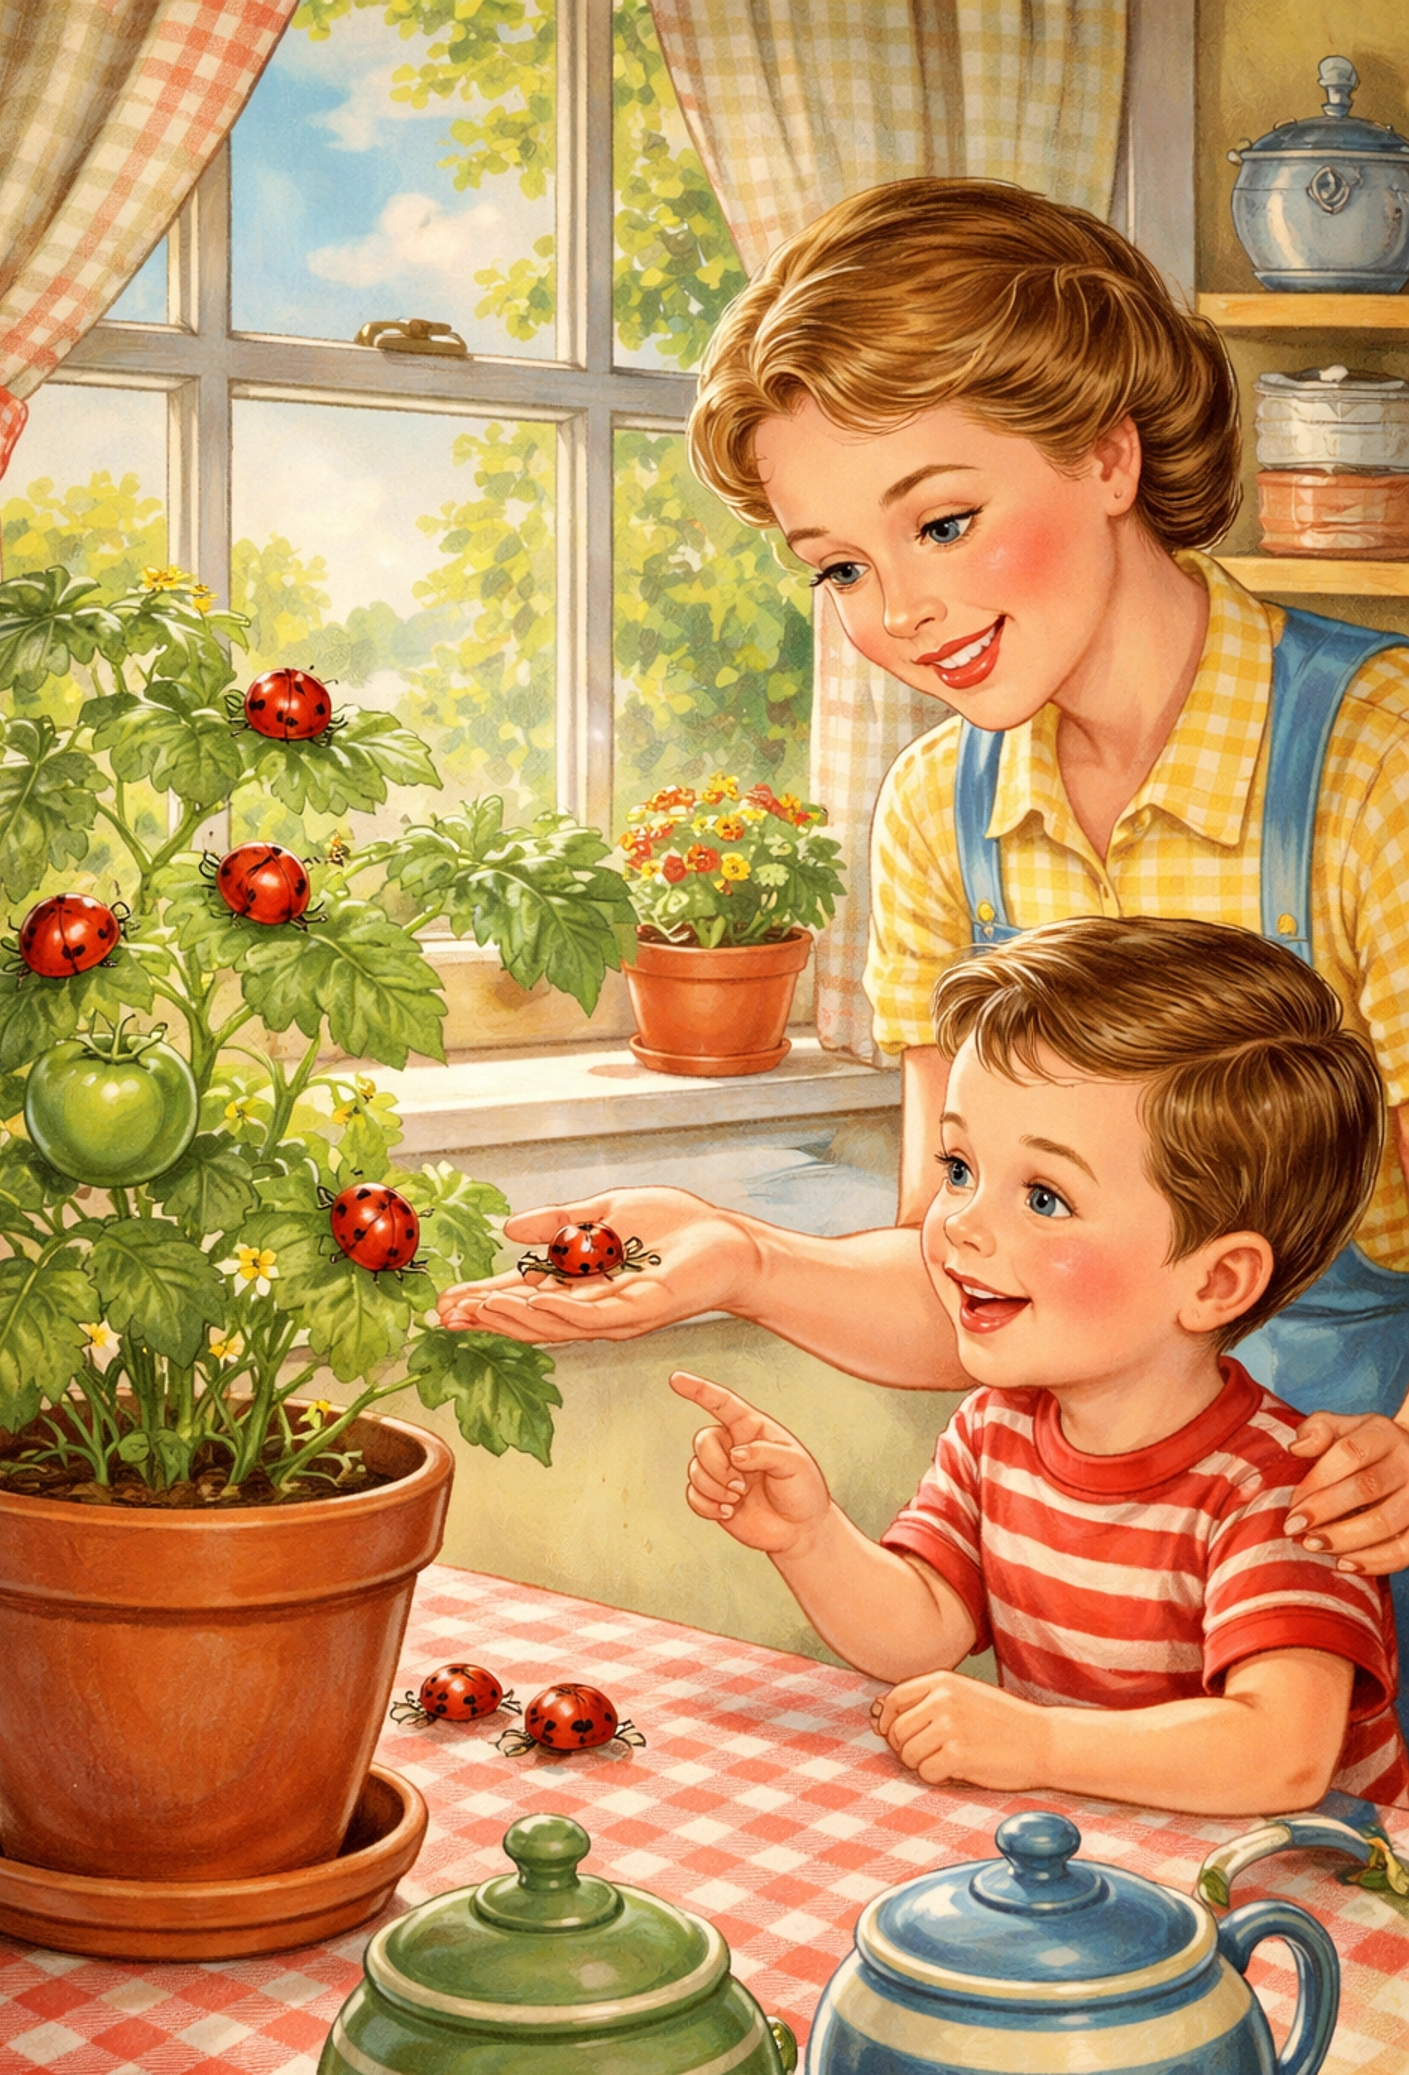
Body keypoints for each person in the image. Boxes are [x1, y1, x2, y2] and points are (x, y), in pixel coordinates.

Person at [438, 178, 1409, 1627]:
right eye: (839, 565)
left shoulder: (1373, 761)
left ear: (1107, 453)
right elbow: (974, 1292)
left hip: (1353, 1529)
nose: (896, 611)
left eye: (943, 522)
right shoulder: (936, 816)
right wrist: (741, 1260)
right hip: (1105, 1562)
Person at [672, 918, 1408, 1815]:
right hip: (1106, 1861)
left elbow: (1278, 1755)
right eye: (958, 1168)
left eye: (1045, 1197)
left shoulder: (1286, 1491)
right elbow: (922, 1630)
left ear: (1217, 1280)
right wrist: (809, 1535)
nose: (961, 1226)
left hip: (1304, 1904)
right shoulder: (996, 1430)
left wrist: (1037, 1741)